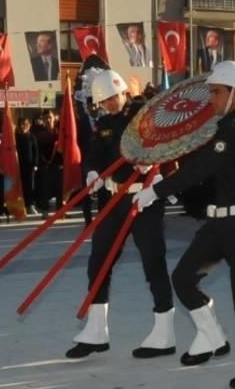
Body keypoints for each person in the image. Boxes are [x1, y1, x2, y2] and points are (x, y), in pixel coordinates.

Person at [134, 61, 235, 389]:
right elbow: (198, 156)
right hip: (221, 221)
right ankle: (212, 337)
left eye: (216, 92)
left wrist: (154, 191)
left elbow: (200, 169)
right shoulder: (230, 124)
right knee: (183, 278)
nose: (211, 98)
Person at [67, 70, 176, 359]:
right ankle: (96, 331)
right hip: (113, 200)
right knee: (98, 262)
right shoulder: (103, 123)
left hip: (145, 199)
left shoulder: (145, 113)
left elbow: (169, 145)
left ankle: (164, 332)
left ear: (122, 92)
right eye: (103, 102)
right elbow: (94, 154)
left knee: (154, 263)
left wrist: (153, 165)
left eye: (112, 99)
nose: (108, 105)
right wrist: (91, 172)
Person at [15, 117, 40, 215]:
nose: (22, 126)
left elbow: (36, 151)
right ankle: (21, 206)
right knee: (19, 186)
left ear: (28, 125)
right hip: (18, 166)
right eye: (21, 124)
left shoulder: (31, 136)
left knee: (30, 186)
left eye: (25, 124)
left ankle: (30, 205)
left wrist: (35, 164)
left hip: (29, 166)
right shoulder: (15, 137)